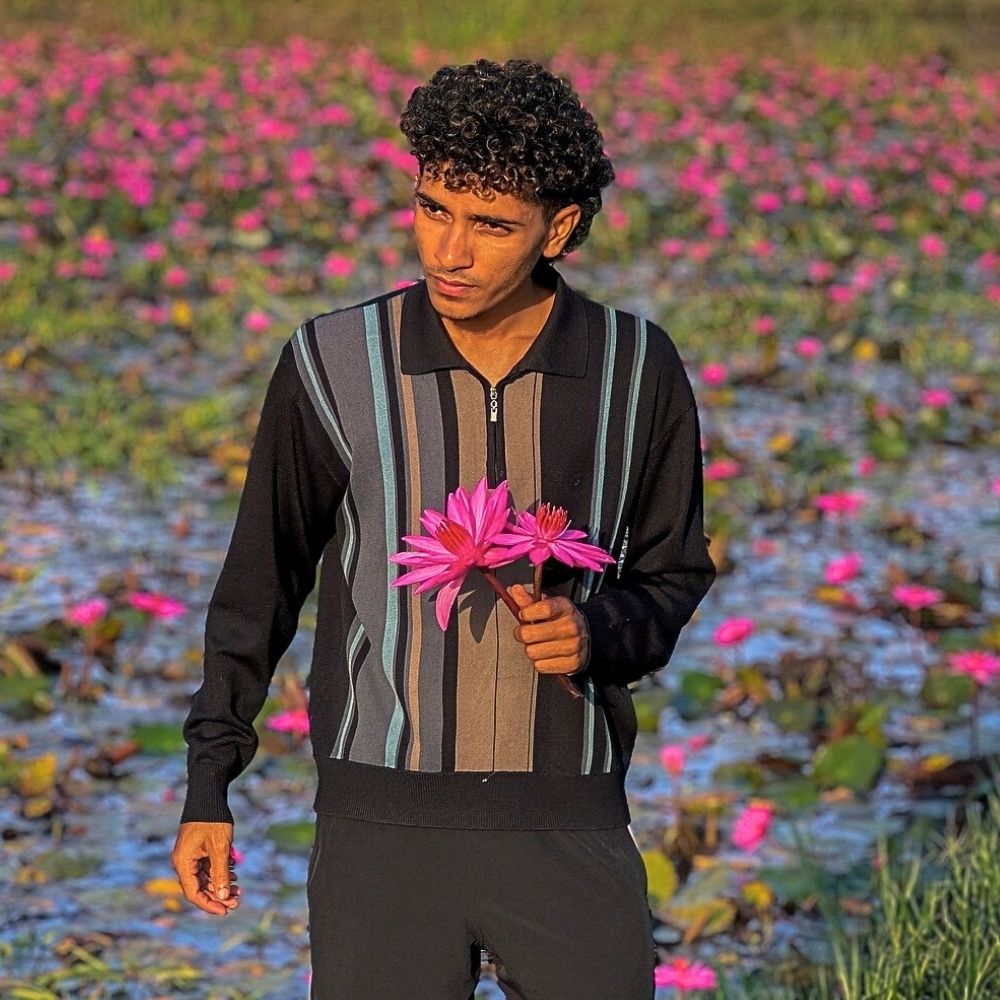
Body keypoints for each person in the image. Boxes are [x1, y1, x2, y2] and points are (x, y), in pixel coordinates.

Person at [171, 57, 717, 999]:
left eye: (491, 225)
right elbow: (259, 587)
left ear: (563, 227)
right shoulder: (331, 360)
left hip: (568, 819)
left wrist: (597, 631)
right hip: (379, 829)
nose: (448, 253)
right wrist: (208, 786)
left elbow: (674, 573)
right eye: (434, 209)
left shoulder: (639, 368)